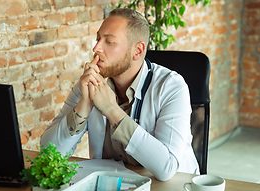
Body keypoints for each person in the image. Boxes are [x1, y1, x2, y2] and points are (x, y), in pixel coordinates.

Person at [40, 8, 199, 181]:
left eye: (109, 41)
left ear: (137, 51)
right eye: (98, 38)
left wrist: (111, 110)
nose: (96, 48)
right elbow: (49, 152)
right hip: (111, 189)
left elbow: (166, 168)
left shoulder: (171, 87)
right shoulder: (89, 84)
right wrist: (84, 106)